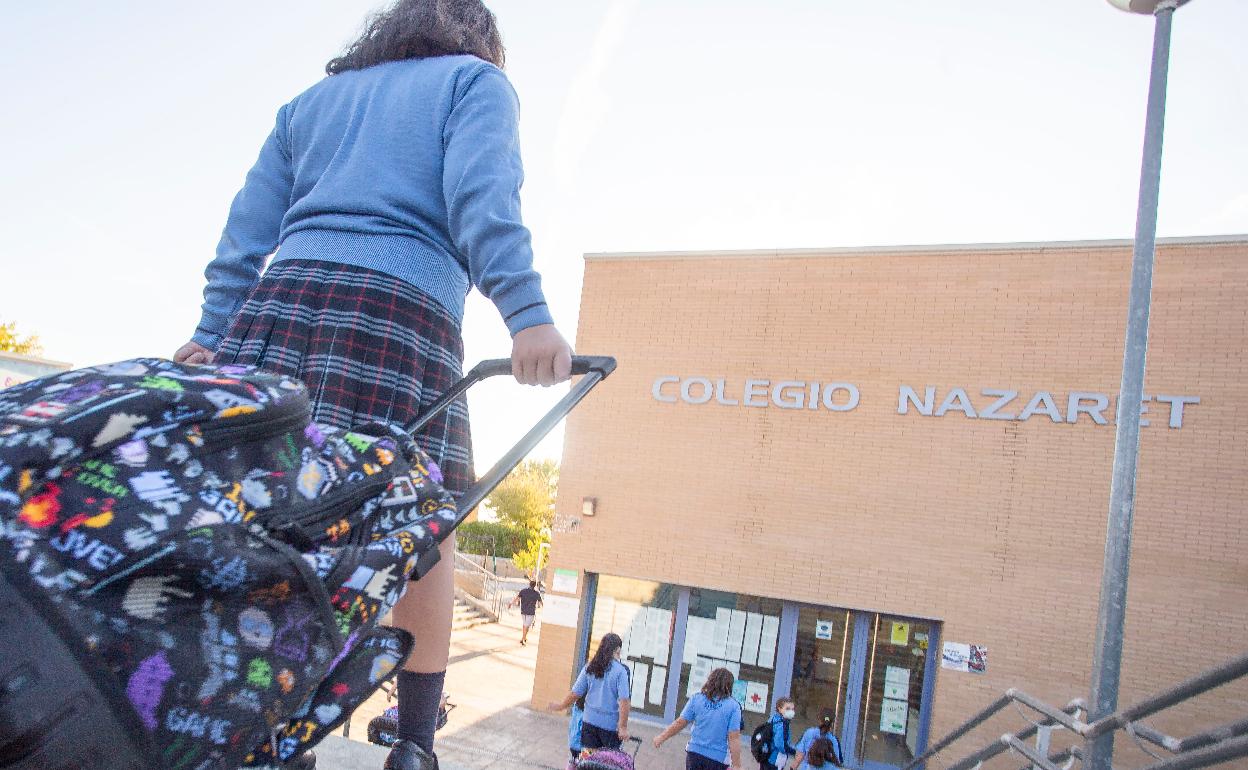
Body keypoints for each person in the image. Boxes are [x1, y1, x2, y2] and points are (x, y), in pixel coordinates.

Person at [172, 2, 573, 768]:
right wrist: (526, 314)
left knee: (271, 519)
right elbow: (482, 200)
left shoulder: (309, 104)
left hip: (276, 312)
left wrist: (212, 332)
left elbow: (244, 231)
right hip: (394, 315)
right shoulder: (475, 83)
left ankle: (272, 731)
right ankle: (416, 744)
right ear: (481, 39)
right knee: (425, 527)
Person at [548, 633, 632, 750]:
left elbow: (575, 693)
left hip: (589, 723)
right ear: (617, 650)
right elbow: (624, 701)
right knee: (607, 763)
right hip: (609, 728)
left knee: (589, 761)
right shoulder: (620, 671)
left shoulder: (590, 667)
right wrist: (622, 727)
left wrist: (561, 705)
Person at [652, 667, 743, 770]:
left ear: (710, 681)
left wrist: (661, 737)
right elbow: (733, 737)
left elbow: (680, 722)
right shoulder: (733, 706)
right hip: (718, 759)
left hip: (694, 753)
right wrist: (737, 765)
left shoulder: (697, 698)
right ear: (729, 685)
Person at [760, 697, 797, 770]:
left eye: (792, 709)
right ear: (779, 709)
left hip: (765, 755)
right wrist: (794, 752)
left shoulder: (774, 718)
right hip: (774, 759)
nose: (791, 711)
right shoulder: (782, 724)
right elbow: (780, 745)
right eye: (788, 709)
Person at [508, 580, 544, 645]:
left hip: (523, 611)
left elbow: (517, 599)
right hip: (531, 612)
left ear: (529, 584)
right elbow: (541, 603)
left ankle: (524, 638)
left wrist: (511, 603)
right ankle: (523, 639)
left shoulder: (523, 591)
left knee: (525, 625)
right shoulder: (536, 593)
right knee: (526, 625)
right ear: (535, 586)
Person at [566, 695, 586, 769]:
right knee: (582, 764)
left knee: (574, 760)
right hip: (581, 747)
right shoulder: (585, 716)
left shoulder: (575, 708)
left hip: (572, 743)